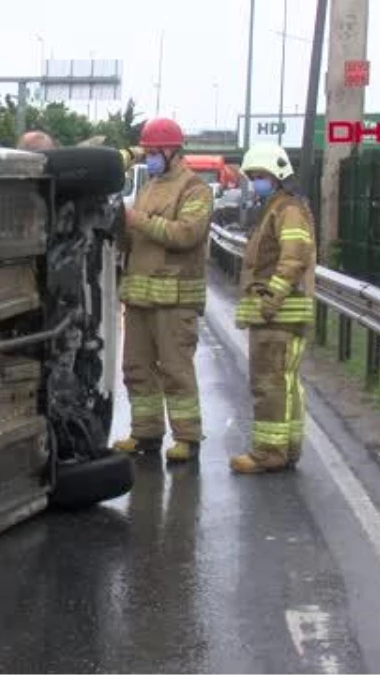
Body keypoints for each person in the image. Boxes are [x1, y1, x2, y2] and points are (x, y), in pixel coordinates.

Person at [110, 117, 213, 464]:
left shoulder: (195, 188)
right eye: (147, 151)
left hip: (175, 300)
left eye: (155, 151)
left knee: (175, 371)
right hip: (140, 298)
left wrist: (137, 220)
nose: (150, 157)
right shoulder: (149, 186)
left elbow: (186, 234)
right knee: (136, 368)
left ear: (173, 150)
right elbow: (135, 239)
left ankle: (187, 437)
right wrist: (120, 227)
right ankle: (146, 432)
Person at [230, 143, 317, 474]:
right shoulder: (282, 207)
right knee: (285, 383)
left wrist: (270, 301)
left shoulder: (287, 211)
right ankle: (287, 449)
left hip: (279, 315)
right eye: (253, 177)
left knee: (269, 384)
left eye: (261, 176)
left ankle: (269, 453)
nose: (255, 182)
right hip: (284, 314)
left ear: (278, 176)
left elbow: (293, 258)